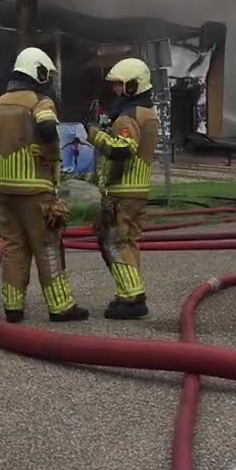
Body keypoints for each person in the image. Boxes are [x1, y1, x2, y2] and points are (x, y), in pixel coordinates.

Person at [0, 47, 90, 323]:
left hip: (6, 189)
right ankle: (61, 306)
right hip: (36, 189)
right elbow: (47, 128)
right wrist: (48, 149)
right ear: (37, 71)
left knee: (13, 247)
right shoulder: (40, 102)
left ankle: (13, 308)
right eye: (47, 74)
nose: (49, 80)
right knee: (47, 245)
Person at [87, 57, 159, 319]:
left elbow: (122, 150)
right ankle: (128, 292)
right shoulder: (148, 114)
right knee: (129, 242)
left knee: (114, 242)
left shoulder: (128, 117)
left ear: (133, 86)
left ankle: (132, 296)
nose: (116, 90)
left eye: (120, 85)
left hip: (123, 191)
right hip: (139, 190)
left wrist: (94, 134)